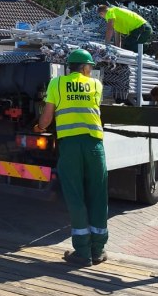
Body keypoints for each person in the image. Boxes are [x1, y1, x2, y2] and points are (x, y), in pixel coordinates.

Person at [34, 48, 107, 267]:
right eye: (90, 67)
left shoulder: (56, 83)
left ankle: (82, 252)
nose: (91, 71)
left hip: (70, 146)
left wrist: (38, 127)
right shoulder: (96, 85)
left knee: (75, 196)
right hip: (95, 145)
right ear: (85, 67)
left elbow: (47, 119)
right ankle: (98, 250)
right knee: (98, 195)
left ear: (69, 67)